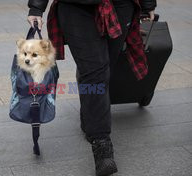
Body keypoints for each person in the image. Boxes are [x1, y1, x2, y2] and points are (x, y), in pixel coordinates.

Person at [27, 0, 156, 175]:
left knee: (101, 69)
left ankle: (89, 116)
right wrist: (36, 6)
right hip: (75, 7)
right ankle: (102, 145)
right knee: (96, 73)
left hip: (121, 6)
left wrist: (148, 4)